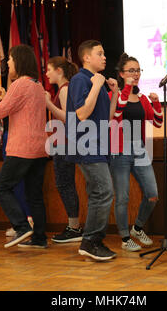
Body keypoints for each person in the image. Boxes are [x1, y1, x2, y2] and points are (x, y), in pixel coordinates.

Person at [0, 44, 49, 249]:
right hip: (39, 149)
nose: (8, 65)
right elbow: (21, 110)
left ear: (19, 62)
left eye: (11, 61)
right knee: (35, 194)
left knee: (2, 187)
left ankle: (22, 227)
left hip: (22, 148)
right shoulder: (37, 85)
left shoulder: (20, 84)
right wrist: (6, 99)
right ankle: (39, 238)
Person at [65, 40, 119, 260]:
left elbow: (106, 118)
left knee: (98, 193)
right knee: (104, 192)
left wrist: (112, 92)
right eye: (100, 53)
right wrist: (97, 85)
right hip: (86, 145)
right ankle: (91, 241)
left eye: (104, 53)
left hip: (98, 145)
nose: (104, 57)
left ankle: (92, 241)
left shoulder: (97, 82)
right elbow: (81, 114)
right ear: (86, 57)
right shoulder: (80, 79)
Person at [109, 53, 163, 252]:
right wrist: (125, 90)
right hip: (120, 149)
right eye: (131, 70)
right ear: (122, 74)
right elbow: (115, 115)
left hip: (139, 148)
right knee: (122, 197)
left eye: (138, 70)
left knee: (152, 194)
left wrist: (156, 103)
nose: (136, 74)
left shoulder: (142, 98)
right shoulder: (114, 95)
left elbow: (157, 122)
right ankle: (124, 238)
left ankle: (137, 228)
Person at [45, 56, 83, 243]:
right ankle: (74, 225)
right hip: (62, 143)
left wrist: (48, 103)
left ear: (59, 71)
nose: (46, 73)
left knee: (65, 184)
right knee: (65, 183)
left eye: (49, 69)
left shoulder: (64, 89)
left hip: (65, 144)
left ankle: (74, 227)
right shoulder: (63, 89)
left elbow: (69, 118)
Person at [0, 85, 33, 238]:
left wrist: (6, 99)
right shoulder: (7, 101)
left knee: (17, 182)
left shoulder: (18, 100)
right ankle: (21, 221)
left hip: (15, 140)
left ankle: (26, 221)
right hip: (8, 140)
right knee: (13, 183)